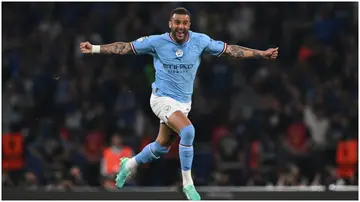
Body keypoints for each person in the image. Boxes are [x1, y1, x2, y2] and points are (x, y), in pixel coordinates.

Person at [80, 7, 278, 200]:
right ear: (170, 24)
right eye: (177, 22)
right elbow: (123, 47)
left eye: (184, 23)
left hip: (184, 103)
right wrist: (95, 48)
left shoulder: (200, 41)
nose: (181, 26)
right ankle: (188, 184)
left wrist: (261, 54)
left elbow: (232, 50)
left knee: (161, 147)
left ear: (189, 25)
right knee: (188, 131)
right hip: (161, 99)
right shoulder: (157, 42)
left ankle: (129, 165)